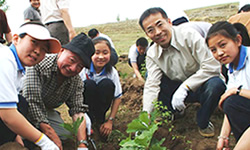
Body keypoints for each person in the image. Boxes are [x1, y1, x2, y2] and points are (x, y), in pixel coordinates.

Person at [139, 7, 226, 137]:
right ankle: (174, 112)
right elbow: (152, 85)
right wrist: (145, 116)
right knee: (149, 76)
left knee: (216, 84)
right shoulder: (152, 53)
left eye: (160, 25)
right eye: (151, 30)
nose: (157, 32)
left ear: (169, 22)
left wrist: (185, 87)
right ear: (147, 34)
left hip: (201, 85)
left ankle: (203, 120)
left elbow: (211, 66)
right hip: (175, 87)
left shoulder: (189, 36)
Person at [22, 33, 94, 150]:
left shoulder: (76, 81)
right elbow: (32, 101)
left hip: (45, 110)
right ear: (61, 51)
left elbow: (78, 110)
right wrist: (51, 138)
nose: (73, 68)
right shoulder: (39, 65)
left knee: (65, 135)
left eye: (80, 66)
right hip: (22, 106)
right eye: (72, 60)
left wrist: (82, 144)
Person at [0, 21, 61, 149]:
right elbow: (7, 115)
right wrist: (44, 142)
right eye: (34, 42)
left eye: (44, 49)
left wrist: (15, 137)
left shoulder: (20, 69)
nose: (38, 51)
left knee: (21, 103)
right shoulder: (4, 60)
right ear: (16, 39)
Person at [205, 21, 250, 150]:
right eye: (213, 50)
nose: (219, 53)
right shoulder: (231, 68)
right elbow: (231, 105)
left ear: (238, 40)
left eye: (223, 45)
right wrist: (223, 137)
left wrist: (237, 90)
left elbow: (234, 94)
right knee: (231, 103)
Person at [79, 37, 122, 138]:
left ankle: (100, 119)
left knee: (107, 84)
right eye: (97, 53)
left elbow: (118, 97)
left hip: (102, 105)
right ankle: (88, 118)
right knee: (89, 85)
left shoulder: (112, 72)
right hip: (86, 105)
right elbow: (75, 96)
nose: (101, 57)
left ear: (110, 54)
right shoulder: (83, 70)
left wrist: (110, 121)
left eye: (105, 53)